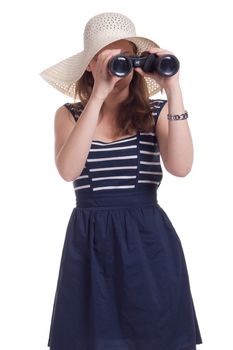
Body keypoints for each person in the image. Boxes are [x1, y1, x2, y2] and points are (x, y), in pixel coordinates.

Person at [39, 11, 203, 350]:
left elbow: (182, 166)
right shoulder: (68, 115)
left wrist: (173, 89)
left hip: (148, 244)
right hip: (90, 245)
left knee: (156, 336)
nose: (121, 67)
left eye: (127, 57)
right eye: (111, 58)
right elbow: (68, 170)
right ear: (89, 64)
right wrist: (98, 95)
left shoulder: (153, 112)